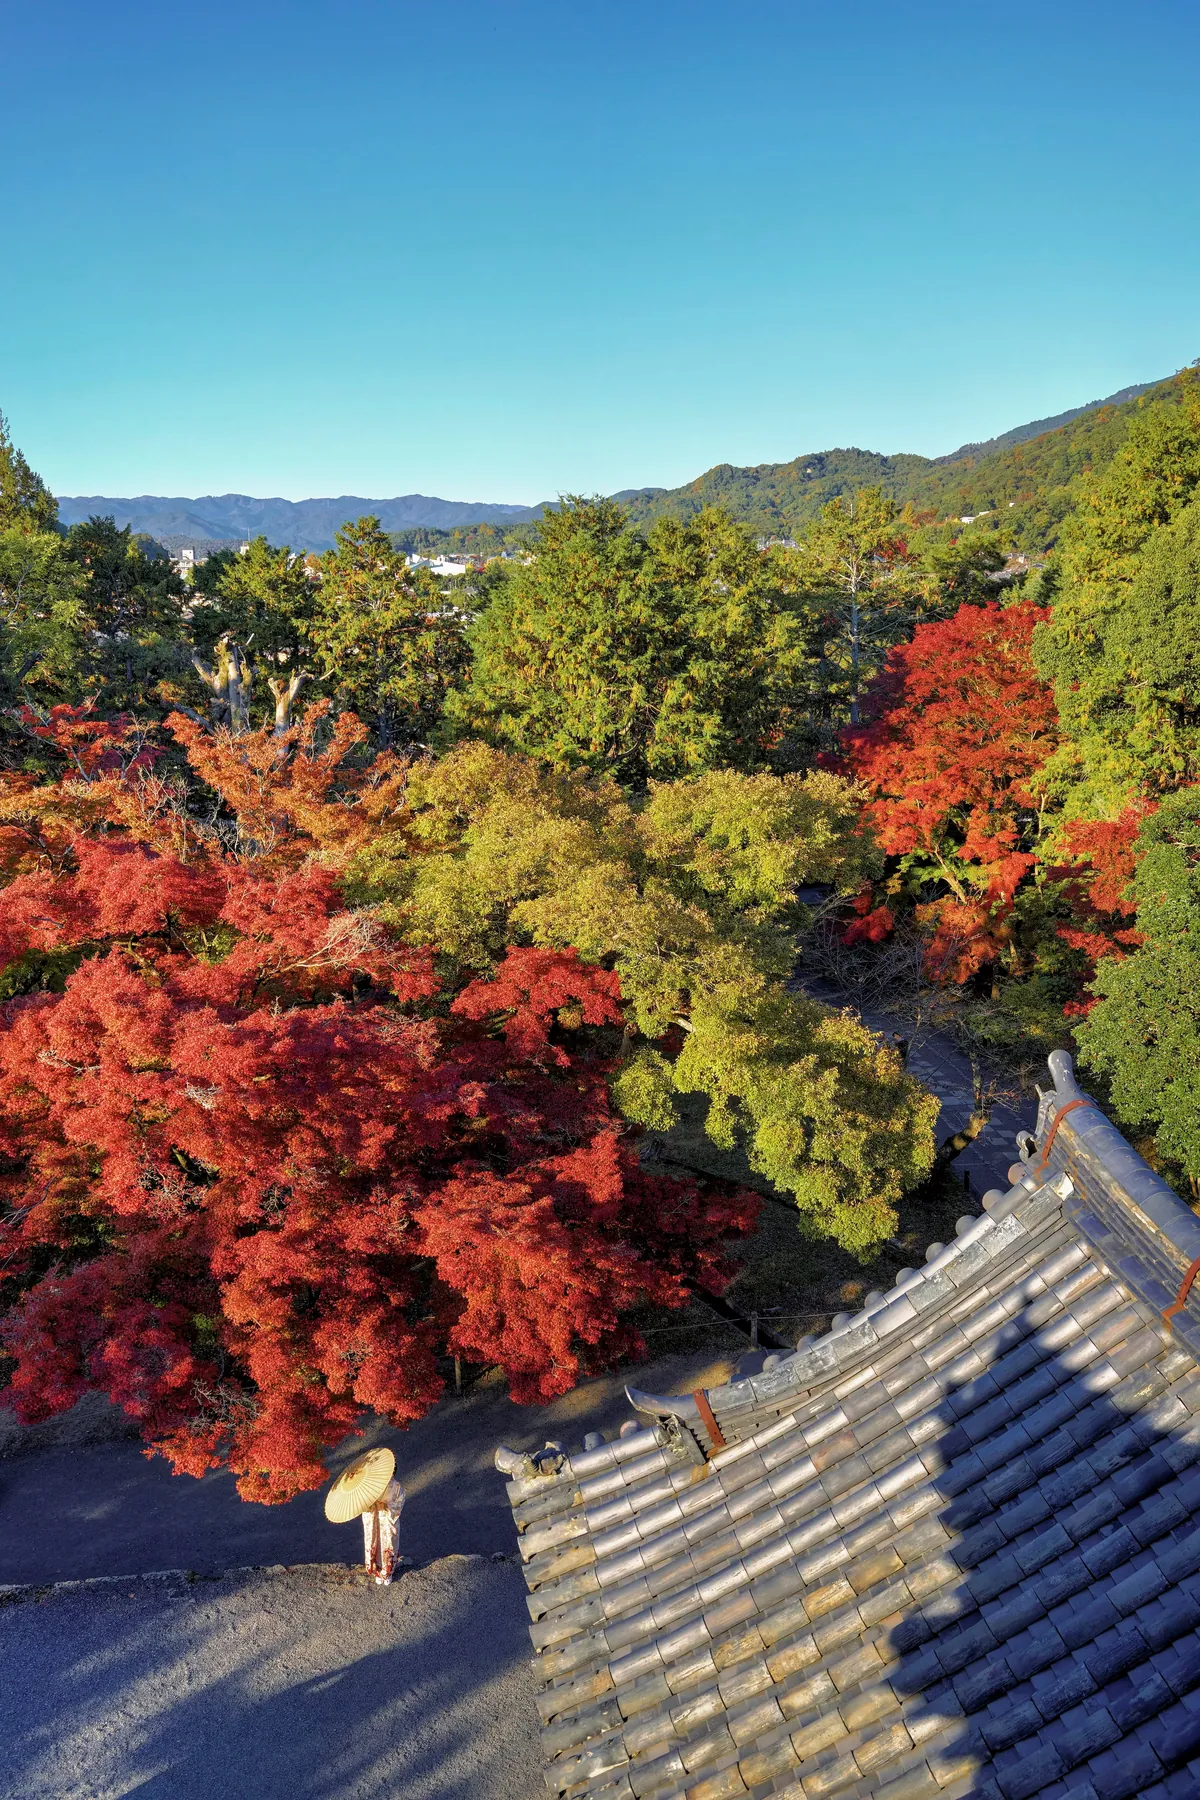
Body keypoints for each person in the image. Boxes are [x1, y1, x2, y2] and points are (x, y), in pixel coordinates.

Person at [362, 1476, 405, 1585]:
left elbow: (362, 1503)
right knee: (382, 1544)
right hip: (381, 1519)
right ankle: (382, 1572)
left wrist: (381, 1501)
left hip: (381, 1520)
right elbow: (398, 1504)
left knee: (384, 1544)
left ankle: (386, 1572)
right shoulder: (397, 1486)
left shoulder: (371, 1485)